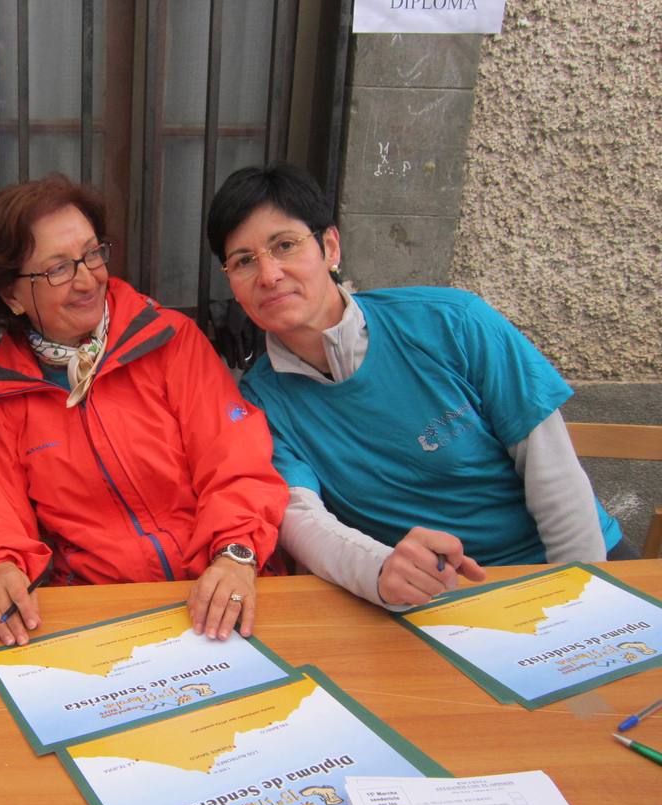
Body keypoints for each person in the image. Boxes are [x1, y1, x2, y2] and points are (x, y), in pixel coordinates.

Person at [205, 162, 631, 609]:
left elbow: (553, 472)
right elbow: (300, 517)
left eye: (285, 245)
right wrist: (381, 568)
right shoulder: (258, 401)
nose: (269, 274)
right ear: (231, 283)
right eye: (244, 261)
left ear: (330, 246)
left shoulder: (453, 323)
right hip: (423, 601)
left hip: (572, 568)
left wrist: (576, 600)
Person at [0, 174, 288, 646]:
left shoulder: (169, 340)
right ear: (11, 296)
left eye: (92, 254)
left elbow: (235, 460)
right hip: (98, 614)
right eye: (59, 269)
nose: (88, 279)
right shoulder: (11, 392)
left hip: (217, 590)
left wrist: (235, 554)